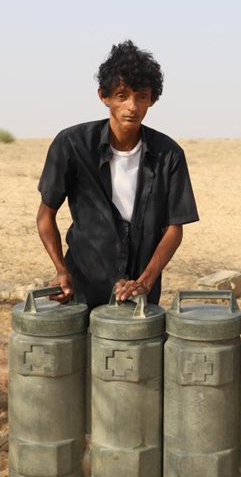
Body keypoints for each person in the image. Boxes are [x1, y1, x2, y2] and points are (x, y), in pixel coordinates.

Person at [36, 40, 198, 308]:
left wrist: (144, 282)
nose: (132, 106)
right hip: (83, 288)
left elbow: (173, 229)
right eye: (122, 95)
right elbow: (45, 216)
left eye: (142, 96)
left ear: (152, 100)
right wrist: (61, 270)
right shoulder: (72, 145)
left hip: (140, 295)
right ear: (104, 96)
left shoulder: (169, 155)